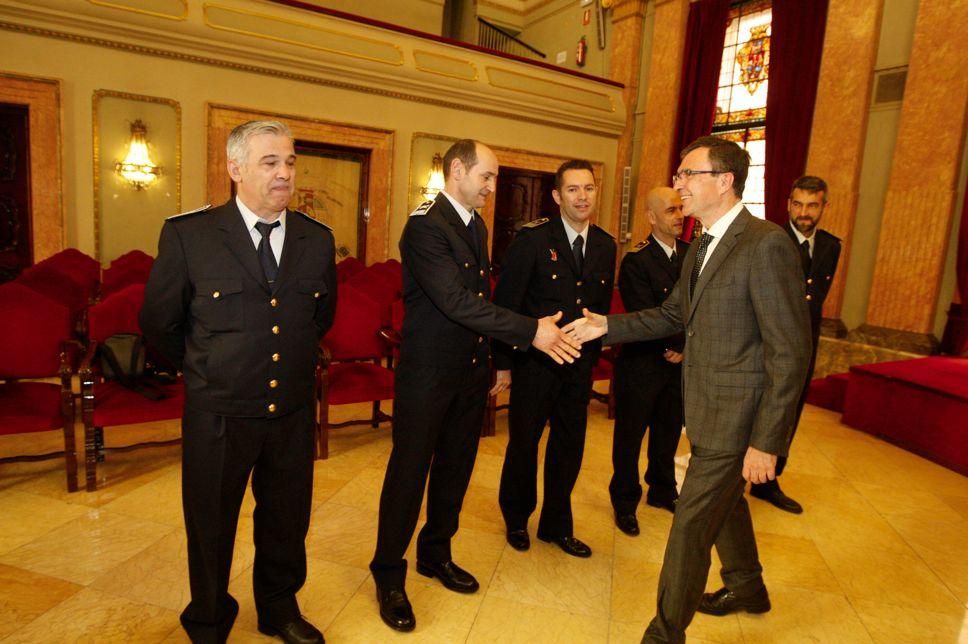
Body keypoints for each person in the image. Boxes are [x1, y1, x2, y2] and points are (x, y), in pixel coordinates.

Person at [564, 135, 811, 643]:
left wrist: (767, 441)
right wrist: (605, 326)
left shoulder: (766, 244)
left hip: (736, 415)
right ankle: (747, 586)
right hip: (703, 405)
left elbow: (790, 353)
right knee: (725, 503)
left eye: (687, 174)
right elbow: (674, 314)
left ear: (723, 182)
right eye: (679, 175)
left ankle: (665, 631)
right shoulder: (703, 243)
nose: (678, 184)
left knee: (690, 524)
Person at [369, 139, 581, 633]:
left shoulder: (474, 222)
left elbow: (478, 299)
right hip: (428, 375)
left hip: (469, 370)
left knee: (456, 469)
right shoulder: (425, 225)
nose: (491, 188)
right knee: (409, 474)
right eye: (485, 177)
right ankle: (388, 573)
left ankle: (435, 553)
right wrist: (531, 330)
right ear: (458, 169)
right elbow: (457, 303)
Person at [141, 120, 336, 644]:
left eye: (290, 162)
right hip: (219, 412)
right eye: (270, 162)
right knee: (210, 524)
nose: (285, 173)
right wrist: (208, 367)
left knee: (286, 521)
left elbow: (320, 318)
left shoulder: (317, 241)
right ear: (235, 169)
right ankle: (207, 618)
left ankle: (278, 609)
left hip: (290, 410)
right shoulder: (190, 235)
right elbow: (161, 324)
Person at [493, 160, 616, 557]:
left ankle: (556, 525)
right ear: (557, 196)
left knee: (569, 445)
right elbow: (507, 304)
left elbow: (596, 309)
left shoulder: (605, 245)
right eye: (574, 190)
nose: (582, 197)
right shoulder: (532, 240)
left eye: (589, 189)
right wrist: (505, 363)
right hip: (535, 364)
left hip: (578, 367)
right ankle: (516, 518)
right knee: (524, 444)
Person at [750, 175, 841, 514]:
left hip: (805, 346)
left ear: (823, 207)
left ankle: (767, 480)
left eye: (812, 205)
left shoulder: (831, 246)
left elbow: (813, 303)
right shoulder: (769, 241)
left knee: (790, 412)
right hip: (766, 344)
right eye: (798, 204)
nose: (804, 212)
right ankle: (735, 475)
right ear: (788, 204)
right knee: (756, 409)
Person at [609, 187, 689, 537]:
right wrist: (673, 342)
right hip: (642, 363)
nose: (679, 216)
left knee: (669, 430)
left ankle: (662, 489)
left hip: (679, 362)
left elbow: (699, 307)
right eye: (671, 210)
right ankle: (625, 502)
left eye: (681, 209)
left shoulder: (692, 255)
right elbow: (644, 312)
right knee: (630, 436)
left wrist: (684, 346)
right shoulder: (636, 260)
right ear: (652, 217)